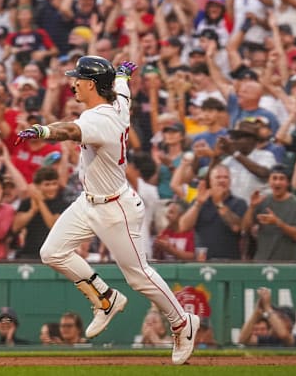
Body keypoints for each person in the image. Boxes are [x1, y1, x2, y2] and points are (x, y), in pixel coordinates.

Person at [16, 56, 198, 365]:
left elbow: (70, 131)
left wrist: (43, 131)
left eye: (78, 78)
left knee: (139, 276)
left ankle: (182, 321)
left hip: (116, 209)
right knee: (52, 252)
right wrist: (123, 76)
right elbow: (123, 88)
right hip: (89, 201)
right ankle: (106, 298)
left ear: (90, 84)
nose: (73, 82)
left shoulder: (97, 119)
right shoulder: (118, 103)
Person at [242, 165, 296, 261]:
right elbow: (244, 228)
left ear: (287, 183)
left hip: (288, 264)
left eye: (282, 179)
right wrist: (252, 207)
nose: (277, 182)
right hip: (262, 261)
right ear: (269, 181)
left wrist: (277, 222)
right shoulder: (262, 201)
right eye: (274, 178)